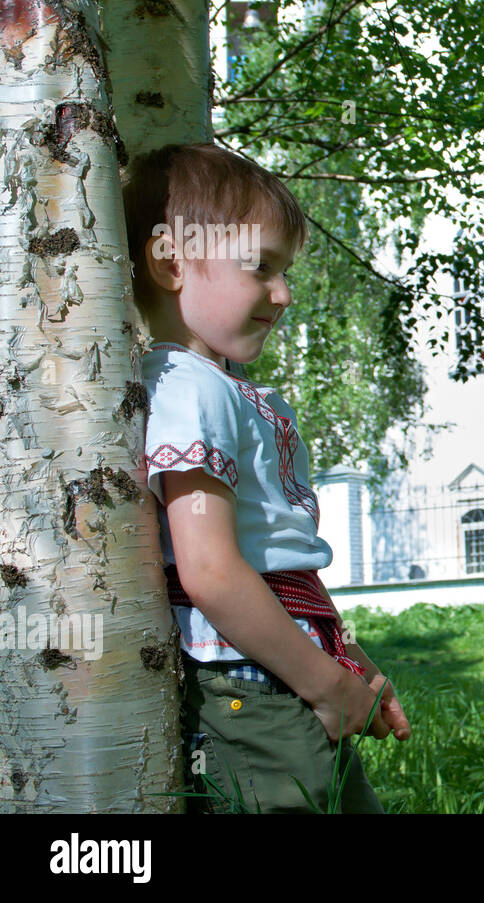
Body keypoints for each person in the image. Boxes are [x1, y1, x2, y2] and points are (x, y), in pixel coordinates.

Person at [125, 143, 412, 813]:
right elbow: (212, 572)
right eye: (261, 267)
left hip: (283, 676)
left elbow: (277, 562)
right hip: (249, 690)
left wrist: (351, 663)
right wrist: (326, 684)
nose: (282, 294)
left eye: (285, 271)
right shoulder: (184, 390)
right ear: (170, 261)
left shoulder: (218, 388)